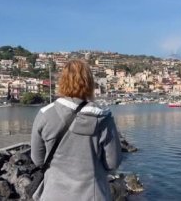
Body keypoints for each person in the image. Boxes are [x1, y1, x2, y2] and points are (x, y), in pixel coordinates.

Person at [31, 60, 122, 201]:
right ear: (90, 83)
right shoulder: (103, 117)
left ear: (62, 82)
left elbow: (38, 160)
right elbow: (112, 163)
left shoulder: (45, 114)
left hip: (53, 194)